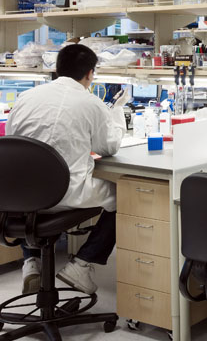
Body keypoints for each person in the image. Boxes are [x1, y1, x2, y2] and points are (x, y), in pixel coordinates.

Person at [7, 43, 128, 295]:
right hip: (64, 193)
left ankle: (31, 262)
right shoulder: (91, 103)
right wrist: (117, 114)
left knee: (30, 198)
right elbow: (109, 147)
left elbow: (11, 141)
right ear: (90, 74)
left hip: (19, 194)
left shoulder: (26, 97)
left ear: (57, 69)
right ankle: (82, 265)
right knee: (126, 196)